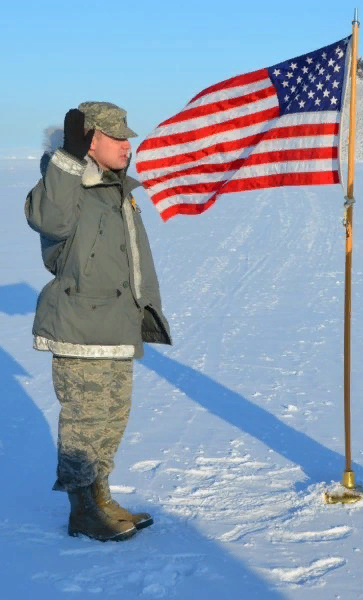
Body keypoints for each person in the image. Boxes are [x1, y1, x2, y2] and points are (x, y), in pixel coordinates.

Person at [25, 102, 172, 542]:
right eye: (118, 138)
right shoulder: (65, 188)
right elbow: (48, 219)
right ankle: (83, 511)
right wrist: (67, 159)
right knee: (84, 424)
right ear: (91, 141)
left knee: (111, 420)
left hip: (114, 325)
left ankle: (101, 498)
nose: (130, 146)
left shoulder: (115, 189)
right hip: (79, 326)